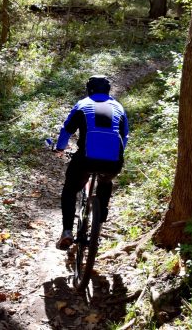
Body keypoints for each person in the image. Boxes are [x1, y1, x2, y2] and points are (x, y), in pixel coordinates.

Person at [54, 75, 129, 250]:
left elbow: (66, 131)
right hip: (113, 161)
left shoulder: (82, 105)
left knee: (71, 189)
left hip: (85, 160)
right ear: (108, 90)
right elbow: (124, 136)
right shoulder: (118, 107)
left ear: (89, 89)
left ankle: (66, 231)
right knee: (106, 182)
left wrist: (60, 148)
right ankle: (99, 223)